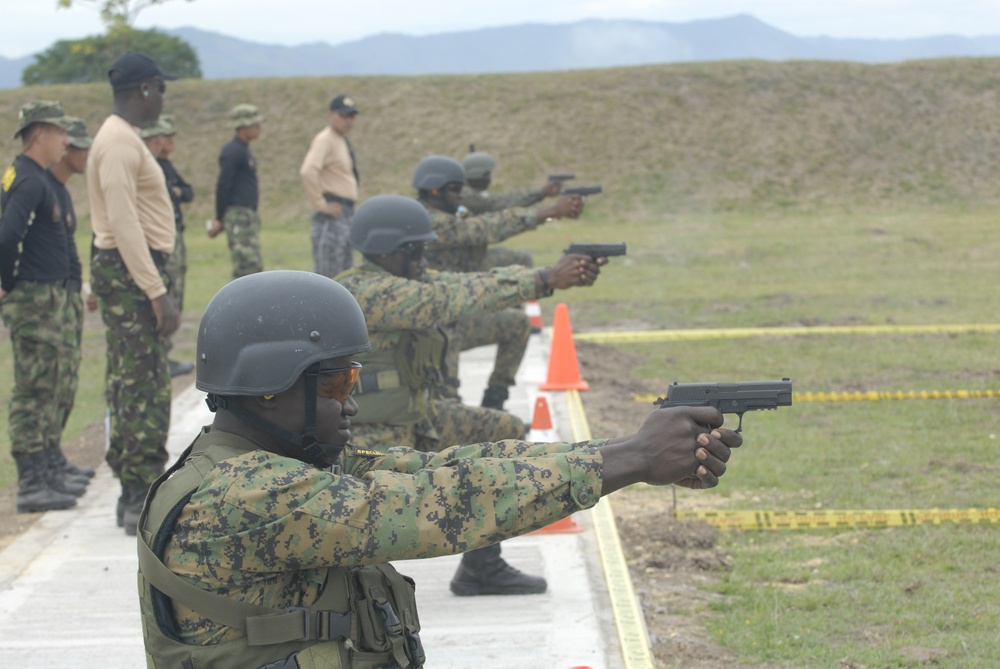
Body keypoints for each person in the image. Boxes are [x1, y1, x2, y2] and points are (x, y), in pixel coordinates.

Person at [136, 269, 741, 668]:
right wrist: (633, 459)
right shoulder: (243, 496)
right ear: (268, 388)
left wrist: (628, 449)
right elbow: (438, 507)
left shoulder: (270, 464)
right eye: (340, 381)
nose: (352, 401)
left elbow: (447, 470)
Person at [336, 194, 604, 596]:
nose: (427, 257)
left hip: (417, 416)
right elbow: (444, 300)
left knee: (503, 432)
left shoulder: (407, 280)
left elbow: (463, 284)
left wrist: (545, 277)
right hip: (368, 434)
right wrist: (544, 279)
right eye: (419, 249)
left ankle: (482, 566)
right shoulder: (366, 292)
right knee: (374, 517)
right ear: (392, 251)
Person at [87, 51, 180, 535]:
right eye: (160, 87)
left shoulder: (117, 138)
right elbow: (123, 224)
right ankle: (142, 488)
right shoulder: (120, 143)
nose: (163, 96)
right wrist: (156, 290)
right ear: (144, 89)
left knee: (130, 378)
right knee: (143, 383)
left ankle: (133, 489)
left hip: (125, 269)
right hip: (132, 271)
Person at [414, 154, 583, 407]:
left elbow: (488, 214)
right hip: (432, 328)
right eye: (456, 190)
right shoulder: (426, 220)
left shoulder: (454, 210)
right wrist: (549, 211)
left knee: (517, 324)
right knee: (445, 408)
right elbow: (484, 227)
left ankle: (494, 402)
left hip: (455, 316)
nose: (462, 195)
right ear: (436, 191)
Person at [0, 100, 82, 513]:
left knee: (52, 384)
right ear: (39, 134)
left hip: (51, 295)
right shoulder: (29, 181)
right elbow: (6, 236)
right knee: (35, 389)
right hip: (35, 299)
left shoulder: (41, 179)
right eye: (59, 131)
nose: (66, 140)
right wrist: (8, 284)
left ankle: (50, 467)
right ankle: (32, 481)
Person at [45, 116, 98, 492]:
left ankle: (53, 463)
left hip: (63, 296)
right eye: (78, 147)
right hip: (42, 300)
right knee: (42, 386)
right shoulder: (36, 185)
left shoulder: (59, 191)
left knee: (62, 383)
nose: (84, 154)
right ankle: (40, 474)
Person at [461, 149, 564, 269]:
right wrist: (541, 194)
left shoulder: (470, 194)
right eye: (487, 174)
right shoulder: (468, 196)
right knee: (522, 259)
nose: (490, 179)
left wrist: (541, 194)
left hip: (472, 256)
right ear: (477, 175)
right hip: (467, 261)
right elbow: (501, 203)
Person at [300, 94, 360, 278]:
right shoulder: (325, 139)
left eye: (351, 116)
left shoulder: (340, 140)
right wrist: (320, 204)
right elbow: (308, 171)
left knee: (345, 273)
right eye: (343, 115)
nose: (348, 121)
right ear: (331, 115)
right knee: (328, 275)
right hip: (331, 215)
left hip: (345, 214)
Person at [154, 114, 195, 377]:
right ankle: (161, 356)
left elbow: (188, 192)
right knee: (167, 289)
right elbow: (169, 194)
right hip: (165, 237)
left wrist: (178, 192)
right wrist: (176, 192)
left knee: (177, 290)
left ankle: (165, 354)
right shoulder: (154, 166)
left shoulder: (167, 165)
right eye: (167, 135)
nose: (171, 140)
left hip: (176, 233)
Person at [208, 103, 264, 279]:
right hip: (238, 214)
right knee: (246, 265)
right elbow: (224, 185)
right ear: (243, 126)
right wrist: (219, 216)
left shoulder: (243, 150)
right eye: (255, 125)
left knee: (253, 265)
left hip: (246, 214)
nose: (259, 128)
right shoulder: (232, 151)